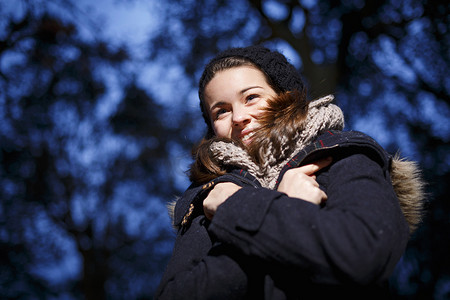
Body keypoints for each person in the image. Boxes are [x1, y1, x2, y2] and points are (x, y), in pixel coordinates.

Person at [155, 45, 425, 299]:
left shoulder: (341, 153)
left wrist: (240, 207)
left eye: (251, 97)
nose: (238, 117)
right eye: (221, 111)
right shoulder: (208, 199)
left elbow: (364, 255)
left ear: (285, 97)